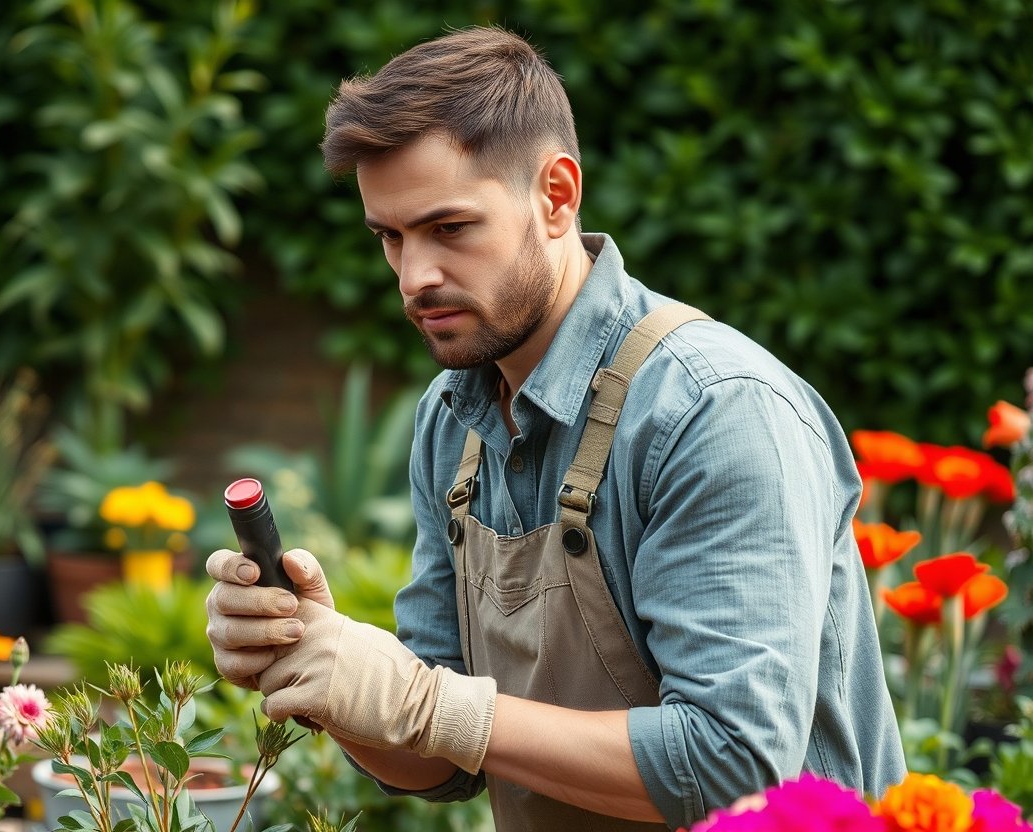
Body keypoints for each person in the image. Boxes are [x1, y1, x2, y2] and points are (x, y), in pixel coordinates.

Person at [206, 26, 905, 831]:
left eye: (450, 228)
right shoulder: (453, 422)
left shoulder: (714, 411)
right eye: (389, 237)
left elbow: (734, 764)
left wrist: (426, 703)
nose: (413, 276)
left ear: (557, 196)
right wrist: (327, 674)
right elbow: (440, 761)